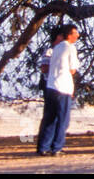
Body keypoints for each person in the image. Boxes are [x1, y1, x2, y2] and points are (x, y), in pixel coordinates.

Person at [38, 23, 80, 156]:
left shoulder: (56, 48)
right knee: (63, 119)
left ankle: (44, 147)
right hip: (63, 87)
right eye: (75, 33)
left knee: (50, 117)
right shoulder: (70, 48)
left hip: (51, 86)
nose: (77, 36)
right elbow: (73, 69)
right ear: (69, 35)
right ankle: (57, 147)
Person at [34, 26, 65, 154]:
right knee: (49, 116)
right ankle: (43, 146)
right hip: (49, 85)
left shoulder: (61, 50)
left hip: (57, 86)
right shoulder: (50, 51)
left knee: (57, 116)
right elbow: (44, 68)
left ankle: (51, 145)